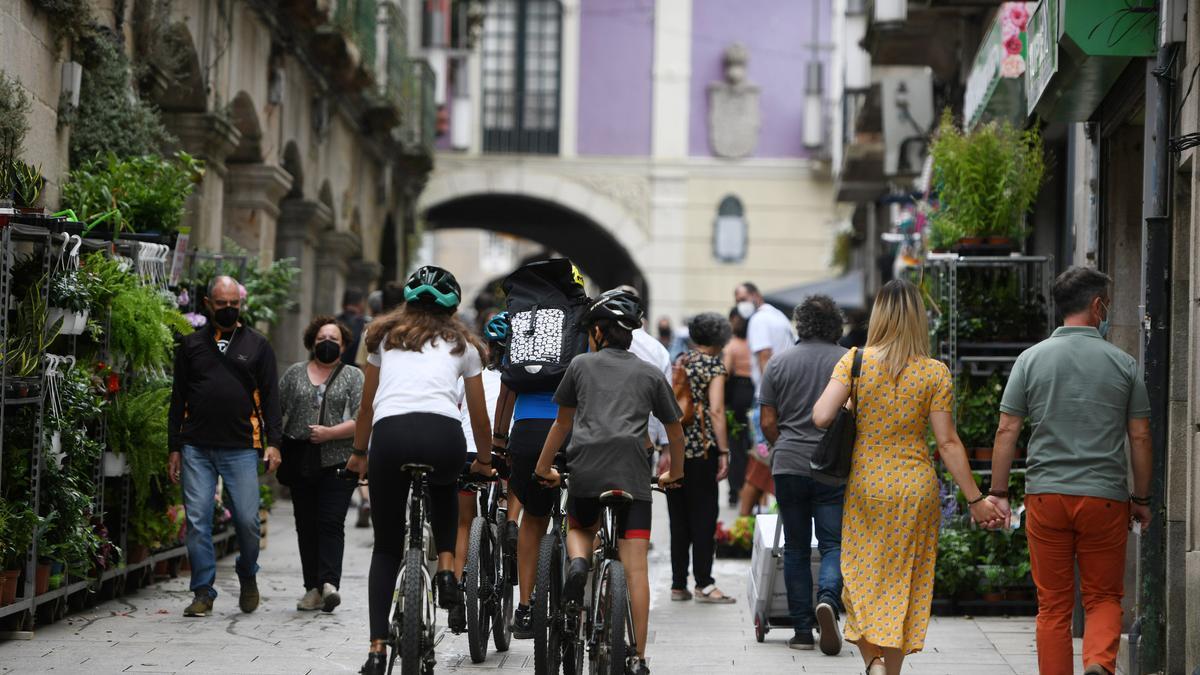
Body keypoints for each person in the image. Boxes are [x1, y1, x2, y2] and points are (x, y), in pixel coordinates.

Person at [812, 279, 1005, 675]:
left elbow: (820, 417)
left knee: (859, 578)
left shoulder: (855, 361)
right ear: (918, 319)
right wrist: (975, 499)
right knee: (904, 584)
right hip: (916, 488)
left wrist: (852, 399)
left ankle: (873, 664)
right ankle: (890, 670)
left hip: (868, 485)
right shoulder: (934, 373)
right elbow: (948, 443)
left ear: (879, 315)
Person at [988, 267, 1152, 675]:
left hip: (1046, 496)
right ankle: (1098, 662)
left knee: (1054, 605)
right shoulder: (1124, 364)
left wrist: (999, 492)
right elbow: (1141, 437)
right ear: (1098, 306)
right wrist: (1142, 499)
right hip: (1105, 498)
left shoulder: (1030, 360)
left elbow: (1007, 429)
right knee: (1103, 597)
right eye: (1107, 305)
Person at [345, 266, 495, 675]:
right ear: (452, 307)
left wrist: (359, 452)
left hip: (390, 436)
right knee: (446, 488)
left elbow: (366, 405)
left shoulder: (383, 338)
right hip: (443, 436)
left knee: (387, 547)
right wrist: (483, 460)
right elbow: (479, 419)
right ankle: (447, 570)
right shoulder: (464, 345)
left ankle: (377, 651)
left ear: (407, 301)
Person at [534, 288, 685, 675]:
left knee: (581, 525)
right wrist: (675, 473)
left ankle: (580, 563)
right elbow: (675, 429)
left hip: (586, 468)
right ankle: (637, 657)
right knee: (635, 567)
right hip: (633, 474)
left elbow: (561, 424)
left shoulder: (581, 366)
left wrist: (543, 468)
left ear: (599, 332)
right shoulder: (651, 373)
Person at [167, 275, 283, 618]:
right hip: (196, 448)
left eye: (235, 304)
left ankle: (248, 573)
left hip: (242, 446)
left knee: (247, 520)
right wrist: (174, 446)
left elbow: (271, 399)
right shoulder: (190, 346)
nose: (230, 309)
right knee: (199, 520)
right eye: (222, 304)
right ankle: (203, 591)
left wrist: (274, 442)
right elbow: (178, 400)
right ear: (207, 304)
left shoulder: (258, 346)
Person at [759, 295, 847, 654]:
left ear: (801, 324)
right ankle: (827, 597)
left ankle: (800, 632)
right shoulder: (849, 361)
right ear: (835, 325)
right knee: (833, 544)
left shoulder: (778, 363)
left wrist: (785, 445)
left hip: (789, 465)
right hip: (834, 468)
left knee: (794, 548)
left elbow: (767, 422)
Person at [277, 316, 364, 612]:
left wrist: (330, 433)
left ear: (343, 346)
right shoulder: (294, 374)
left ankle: (329, 583)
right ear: (312, 341)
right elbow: (278, 411)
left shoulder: (354, 376)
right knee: (306, 524)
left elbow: (363, 419)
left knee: (330, 521)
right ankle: (311, 587)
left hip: (338, 460)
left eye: (334, 340)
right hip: (301, 460)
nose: (327, 343)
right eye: (322, 338)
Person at [664, 312, 733, 604]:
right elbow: (716, 411)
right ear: (719, 337)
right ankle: (704, 583)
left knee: (678, 519)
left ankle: (678, 584)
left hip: (675, 449)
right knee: (704, 517)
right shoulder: (713, 366)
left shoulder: (680, 360)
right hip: (702, 450)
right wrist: (724, 450)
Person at [733, 282, 795, 386]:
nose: (741, 305)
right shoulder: (777, 314)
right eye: (738, 302)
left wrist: (768, 391)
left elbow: (764, 356)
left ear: (756, 295)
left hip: (770, 390)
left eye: (743, 300)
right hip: (785, 383)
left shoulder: (759, 319)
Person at [724, 307, 754, 506]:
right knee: (751, 445)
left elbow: (726, 371)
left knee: (735, 446)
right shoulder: (754, 344)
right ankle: (750, 486)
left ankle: (735, 490)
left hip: (735, 395)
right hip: (752, 391)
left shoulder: (731, 346)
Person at [338, 288, 367, 367]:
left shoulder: (331, 322)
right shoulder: (365, 325)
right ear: (360, 304)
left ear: (343, 303)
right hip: (355, 373)